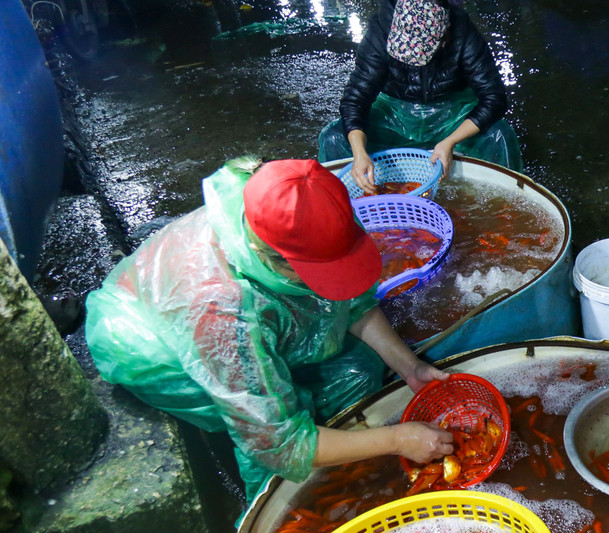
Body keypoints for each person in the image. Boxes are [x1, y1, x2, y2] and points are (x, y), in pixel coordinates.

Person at [85, 157, 455, 498]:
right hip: (151, 347)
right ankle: (300, 480)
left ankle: (331, 441)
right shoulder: (222, 312)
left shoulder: (314, 207)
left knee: (358, 369)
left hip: (211, 309)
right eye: (317, 273)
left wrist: (410, 367)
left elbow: (352, 301)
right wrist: (397, 439)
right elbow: (276, 442)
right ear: (270, 255)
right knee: (269, 427)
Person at [318, 0, 522, 192]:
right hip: (395, 113)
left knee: (500, 135)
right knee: (333, 137)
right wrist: (359, 154)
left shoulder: (462, 32)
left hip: (451, 114)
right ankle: (338, 205)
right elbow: (355, 99)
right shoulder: (381, 29)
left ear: (445, 37)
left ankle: (505, 207)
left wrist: (449, 142)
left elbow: (494, 97)